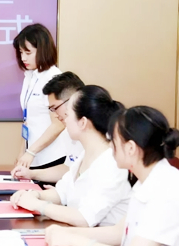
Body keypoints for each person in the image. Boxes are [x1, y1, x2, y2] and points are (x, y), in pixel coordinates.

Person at [45, 106, 179, 246]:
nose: (110, 147)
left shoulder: (167, 188)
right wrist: (66, 233)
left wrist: (75, 240)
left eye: (113, 141)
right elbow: (118, 232)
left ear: (131, 148)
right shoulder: (146, 180)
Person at [11, 86, 130, 227]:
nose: (64, 120)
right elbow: (62, 193)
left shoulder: (112, 163)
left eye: (68, 115)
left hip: (97, 239)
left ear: (83, 122)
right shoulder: (84, 154)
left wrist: (38, 205)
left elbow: (84, 218)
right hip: (76, 234)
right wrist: (33, 194)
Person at [12, 24, 71, 173]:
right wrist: (22, 152)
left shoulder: (54, 78)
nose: (23, 58)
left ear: (43, 49)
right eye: (21, 52)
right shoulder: (29, 76)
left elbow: (59, 124)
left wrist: (31, 152)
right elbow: (28, 121)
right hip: (33, 156)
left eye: (28, 52)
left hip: (52, 157)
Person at [12, 71, 85, 184]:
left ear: (72, 100)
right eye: (51, 110)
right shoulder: (70, 132)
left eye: (55, 108)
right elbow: (68, 169)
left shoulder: (97, 135)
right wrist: (30, 174)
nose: (55, 115)